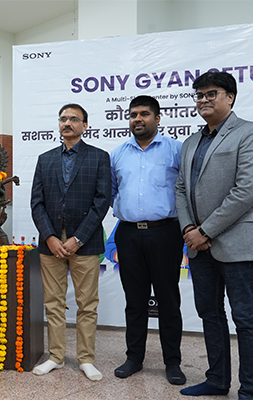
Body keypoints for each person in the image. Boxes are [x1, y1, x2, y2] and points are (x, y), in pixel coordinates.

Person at [175, 71, 253, 399]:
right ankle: (217, 381)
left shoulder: (251, 133)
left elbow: (246, 191)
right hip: (198, 246)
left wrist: (205, 231)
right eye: (199, 95)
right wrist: (189, 229)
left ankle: (249, 391)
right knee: (210, 314)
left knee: (245, 318)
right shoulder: (190, 142)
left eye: (211, 93)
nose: (203, 100)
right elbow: (181, 189)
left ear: (230, 97)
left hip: (236, 244)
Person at [31, 103, 111, 381]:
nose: (67, 123)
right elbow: (37, 203)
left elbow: (102, 202)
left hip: (85, 242)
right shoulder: (45, 159)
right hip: (50, 243)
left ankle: (86, 359)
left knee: (87, 304)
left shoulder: (99, 157)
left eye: (74, 119)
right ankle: (56, 357)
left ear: (84, 126)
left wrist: (78, 238)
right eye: (63, 118)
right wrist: (50, 237)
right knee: (53, 303)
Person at [110, 95, 185, 385]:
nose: (137, 119)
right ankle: (134, 358)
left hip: (165, 233)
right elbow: (113, 191)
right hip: (128, 234)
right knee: (135, 300)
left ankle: (173, 362)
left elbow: (186, 189)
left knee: (168, 299)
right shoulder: (118, 154)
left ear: (157, 118)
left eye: (144, 114)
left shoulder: (175, 150)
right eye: (133, 115)